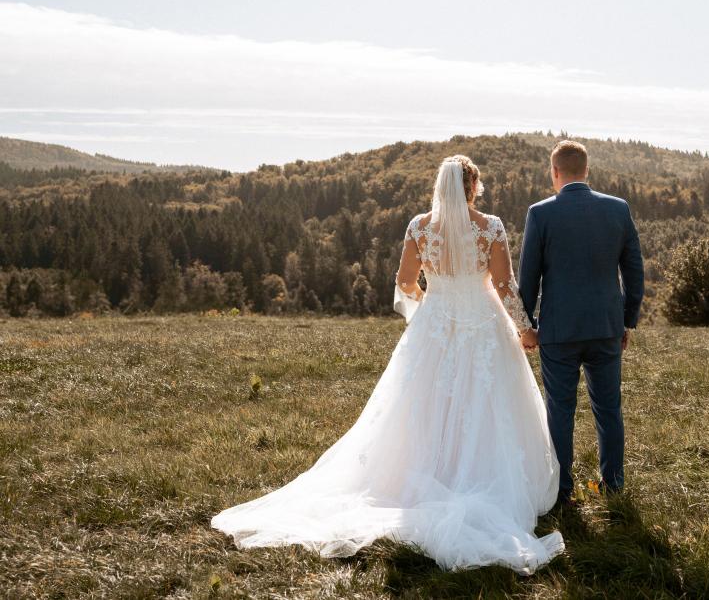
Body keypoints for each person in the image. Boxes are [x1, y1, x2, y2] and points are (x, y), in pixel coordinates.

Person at [210, 155, 564, 574]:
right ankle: (475, 477)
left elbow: (404, 282)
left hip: (435, 322)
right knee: (485, 401)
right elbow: (504, 284)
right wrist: (525, 328)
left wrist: (431, 302)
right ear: (473, 187)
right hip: (482, 323)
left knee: (425, 401)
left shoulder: (419, 226)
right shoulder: (490, 227)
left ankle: (422, 476)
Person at [517, 140, 645, 506]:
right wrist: (626, 320)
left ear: (554, 172)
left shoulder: (540, 214)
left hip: (558, 329)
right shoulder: (618, 209)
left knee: (560, 409)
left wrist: (526, 326)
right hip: (606, 325)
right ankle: (614, 485)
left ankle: (561, 491)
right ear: (586, 170)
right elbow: (634, 271)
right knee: (609, 408)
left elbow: (528, 278)